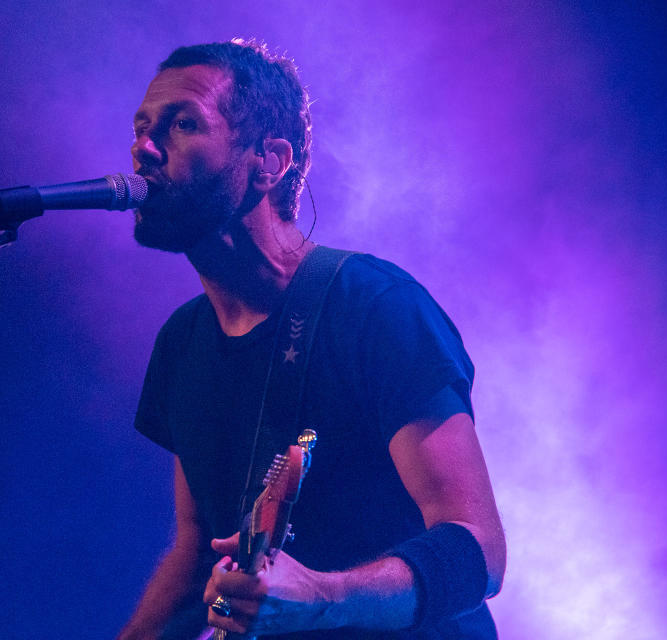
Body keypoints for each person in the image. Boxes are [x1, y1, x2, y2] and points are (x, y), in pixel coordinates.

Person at [118, 40, 505, 640]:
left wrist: (324, 597)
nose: (144, 148)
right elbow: (196, 551)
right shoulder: (180, 345)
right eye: (142, 128)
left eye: (183, 124)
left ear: (268, 162)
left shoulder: (376, 307)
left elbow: (479, 547)